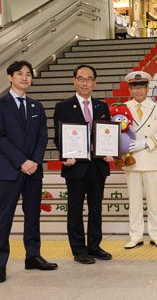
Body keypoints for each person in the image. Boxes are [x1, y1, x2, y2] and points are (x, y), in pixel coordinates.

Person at [0, 60, 58, 283]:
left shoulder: (37, 107)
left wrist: (35, 162)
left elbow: (42, 138)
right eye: (20, 74)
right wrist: (22, 162)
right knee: (4, 218)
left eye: (28, 74)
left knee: (33, 216)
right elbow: (0, 138)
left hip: (33, 171)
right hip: (9, 171)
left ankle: (33, 256)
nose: (25, 78)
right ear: (10, 77)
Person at [53, 64, 113, 264]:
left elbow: (107, 134)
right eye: (81, 78)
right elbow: (58, 138)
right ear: (74, 81)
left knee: (96, 209)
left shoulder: (102, 106)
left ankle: (94, 246)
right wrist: (65, 155)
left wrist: (109, 151)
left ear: (95, 82)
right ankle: (79, 250)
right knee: (75, 210)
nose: (85, 82)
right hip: (75, 167)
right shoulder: (62, 106)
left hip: (98, 166)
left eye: (89, 79)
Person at [122, 71, 157, 249]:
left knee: (154, 200)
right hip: (131, 159)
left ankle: (156, 234)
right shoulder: (123, 107)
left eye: (141, 87)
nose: (138, 90)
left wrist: (145, 143)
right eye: (135, 87)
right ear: (130, 89)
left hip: (150, 158)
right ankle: (135, 235)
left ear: (148, 88)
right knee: (134, 201)